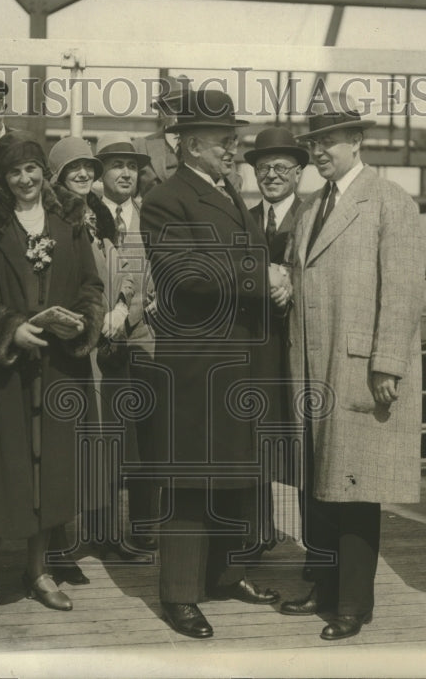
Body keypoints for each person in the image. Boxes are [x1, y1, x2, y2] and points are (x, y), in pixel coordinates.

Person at [140, 88, 284, 639]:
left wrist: (275, 273)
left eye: (235, 139)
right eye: (226, 140)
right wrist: (259, 276)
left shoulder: (225, 192)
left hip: (237, 363)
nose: (235, 148)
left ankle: (225, 575)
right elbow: (185, 275)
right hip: (198, 368)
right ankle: (179, 595)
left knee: (235, 474)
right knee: (189, 482)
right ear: (192, 145)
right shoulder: (166, 199)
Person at [0, 133, 104, 622]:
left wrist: (80, 321)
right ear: (3, 178)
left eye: (32, 169)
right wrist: (10, 328)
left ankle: (38, 572)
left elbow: (90, 285)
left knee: (49, 471)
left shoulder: (69, 220)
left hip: (57, 367)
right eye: (15, 172)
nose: (26, 180)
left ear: (43, 171)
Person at [281, 103, 424, 641]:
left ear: (357, 141)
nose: (320, 152)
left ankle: (353, 605)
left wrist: (388, 363)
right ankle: (322, 583)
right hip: (312, 367)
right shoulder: (311, 204)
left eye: (330, 143)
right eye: (314, 144)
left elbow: (405, 288)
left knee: (357, 487)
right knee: (317, 484)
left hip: (358, 367)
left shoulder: (389, 201)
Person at [47, 135, 137, 560]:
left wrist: (121, 304)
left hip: (103, 342)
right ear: (58, 175)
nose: (83, 174)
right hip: (66, 342)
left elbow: (121, 270)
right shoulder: (49, 216)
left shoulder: (100, 215)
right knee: (69, 439)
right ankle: (64, 539)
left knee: (103, 438)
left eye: (88, 168)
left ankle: (105, 533)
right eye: (73, 168)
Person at [92, 132, 162, 555]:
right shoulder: (86, 215)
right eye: (116, 165)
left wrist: (146, 305)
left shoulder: (149, 215)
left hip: (144, 340)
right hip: (99, 341)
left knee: (146, 434)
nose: (125, 173)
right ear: (101, 173)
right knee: (104, 432)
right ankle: (101, 528)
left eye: (132, 166)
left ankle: (144, 525)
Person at [243, 125, 310, 560]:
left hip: (301, 350)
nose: (271, 175)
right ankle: (257, 534)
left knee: (305, 444)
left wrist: (292, 285)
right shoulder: (243, 218)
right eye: (264, 168)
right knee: (254, 440)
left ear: (299, 172)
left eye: (281, 167)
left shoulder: (312, 216)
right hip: (255, 351)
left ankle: (313, 547)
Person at [133, 74, 188, 197]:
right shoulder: (141, 146)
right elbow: (126, 194)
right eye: (173, 107)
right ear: (162, 111)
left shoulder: (206, 144)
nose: (181, 113)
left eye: (186, 107)